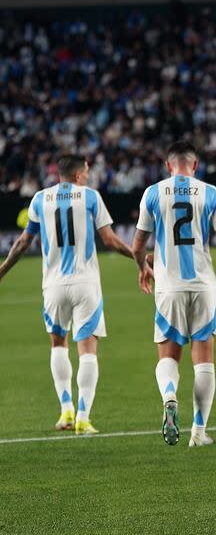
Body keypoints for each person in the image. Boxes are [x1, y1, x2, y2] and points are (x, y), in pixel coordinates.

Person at [0, 154, 134, 434]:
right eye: (86, 172)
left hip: (53, 285)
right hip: (86, 283)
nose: (88, 176)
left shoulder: (39, 199)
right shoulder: (90, 197)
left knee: (58, 345)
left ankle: (66, 411)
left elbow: (24, 242)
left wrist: (1, 271)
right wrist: (139, 258)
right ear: (77, 175)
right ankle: (83, 417)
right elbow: (109, 240)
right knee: (88, 350)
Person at [132, 141, 216, 446]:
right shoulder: (210, 193)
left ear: (168, 166)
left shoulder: (153, 193)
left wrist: (142, 267)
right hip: (203, 286)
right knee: (204, 360)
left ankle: (169, 397)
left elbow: (138, 245)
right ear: (195, 165)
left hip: (168, 287)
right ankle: (199, 432)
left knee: (169, 355)